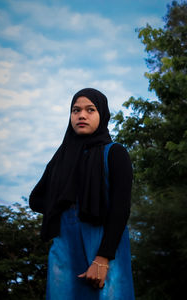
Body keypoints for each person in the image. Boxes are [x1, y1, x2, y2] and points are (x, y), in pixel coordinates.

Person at [29, 88, 135, 300]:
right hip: (66, 248)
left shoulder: (114, 153)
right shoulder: (61, 159)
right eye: (75, 110)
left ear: (102, 114)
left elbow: (120, 209)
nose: (82, 115)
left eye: (90, 110)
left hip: (104, 246)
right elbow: (35, 199)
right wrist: (63, 208)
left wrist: (103, 258)